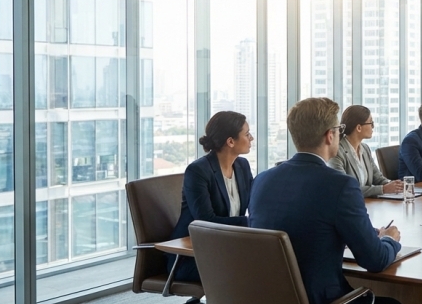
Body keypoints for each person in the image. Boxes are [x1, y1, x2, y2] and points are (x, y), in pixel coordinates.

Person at [248, 97, 402, 304]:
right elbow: (376, 260)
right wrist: (389, 239)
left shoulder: (261, 180)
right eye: (339, 130)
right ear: (330, 135)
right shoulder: (340, 185)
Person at [169, 111, 255, 282]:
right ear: (230, 141)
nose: (251, 138)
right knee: (253, 270)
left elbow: (255, 203)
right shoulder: (198, 171)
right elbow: (206, 221)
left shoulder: (242, 165)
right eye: (247, 134)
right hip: (193, 255)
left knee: (270, 262)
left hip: (226, 248)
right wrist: (251, 223)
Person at [327, 105, 403, 198]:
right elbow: (345, 188)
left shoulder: (365, 148)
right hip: (349, 204)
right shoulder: (337, 152)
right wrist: (383, 189)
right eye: (371, 123)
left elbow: (378, 178)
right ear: (359, 128)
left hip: (368, 203)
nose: (373, 127)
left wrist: (396, 185)